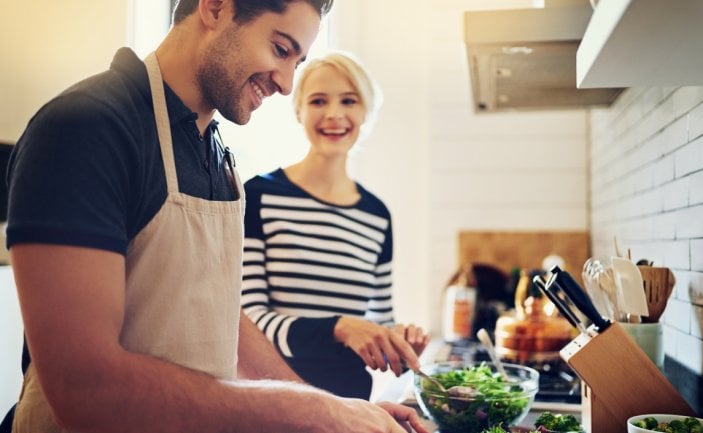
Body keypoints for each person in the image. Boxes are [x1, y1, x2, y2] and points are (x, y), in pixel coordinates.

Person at [2, 1, 428, 432]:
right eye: (281, 50)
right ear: (216, 7)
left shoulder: (214, 150)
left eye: (298, 62)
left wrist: (340, 410)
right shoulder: (86, 128)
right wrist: (321, 413)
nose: (286, 84)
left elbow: (222, 317)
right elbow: (85, 389)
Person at [240, 52, 429, 399]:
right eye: (318, 101)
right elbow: (248, 321)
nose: (334, 114)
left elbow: (379, 321)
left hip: (351, 398)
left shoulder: (377, 215)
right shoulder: (258, 195)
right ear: (298, 110)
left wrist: (397, 342)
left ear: (364, 112)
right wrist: (338, 329)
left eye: (349, 100)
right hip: (274, 396)